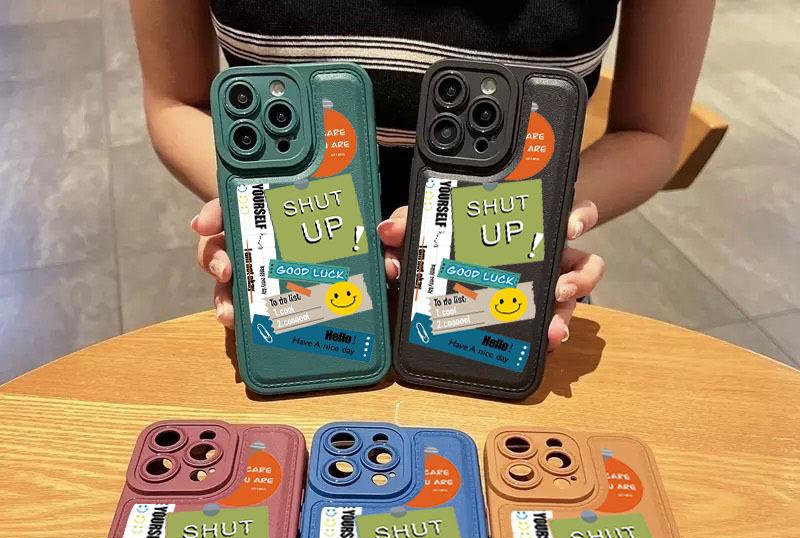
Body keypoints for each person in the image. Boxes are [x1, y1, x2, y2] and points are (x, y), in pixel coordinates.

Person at [131, 0, 714, 349]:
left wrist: (545, 211)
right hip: (296, 271)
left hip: (495, 267)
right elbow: (174, 102)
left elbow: (650, 133)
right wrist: (253, 204)